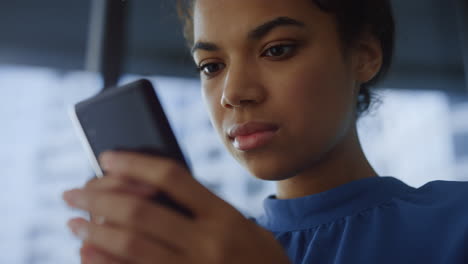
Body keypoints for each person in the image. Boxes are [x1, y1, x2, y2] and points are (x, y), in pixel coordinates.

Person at [62, 0, 468, 263]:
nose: (234, 93)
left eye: (276, 49)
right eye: (211, 66)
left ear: (364, 55)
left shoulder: (458, 223)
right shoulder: (197, 251)